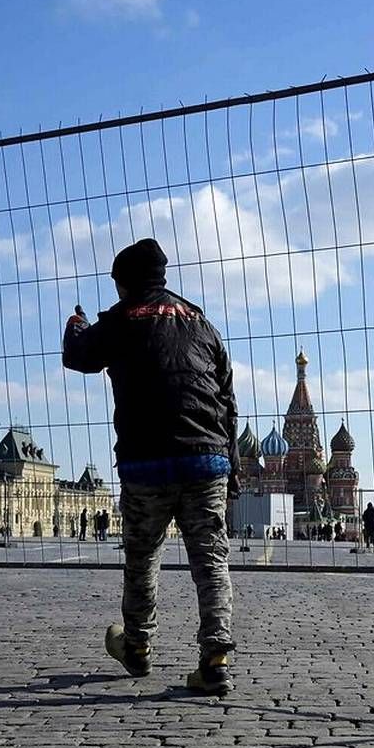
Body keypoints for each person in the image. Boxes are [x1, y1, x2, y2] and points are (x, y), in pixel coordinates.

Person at [63, 238, 239, 696]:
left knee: (142, 558)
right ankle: (215, 657)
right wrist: (232, 468)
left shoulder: (121, 319)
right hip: (207, 458)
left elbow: (77, 357)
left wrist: (76, 324)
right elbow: (227, 399)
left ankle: (137, 647)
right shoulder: (201, 322)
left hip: (146, 463)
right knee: (211, 560)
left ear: (124, 283)